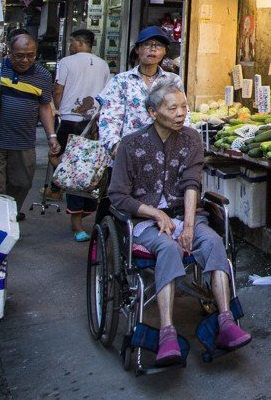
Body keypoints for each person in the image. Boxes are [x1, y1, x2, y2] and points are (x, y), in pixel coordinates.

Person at [107, 82, 252, 367]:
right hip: (145, 220)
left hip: (183, 212)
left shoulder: (191, 139)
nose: (180, 113)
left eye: (183, 107)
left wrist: (187, 226)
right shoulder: (131, 145)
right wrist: (155, 214)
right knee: (167, 247)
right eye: (172, 108)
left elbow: (191, 183)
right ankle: (167, 333)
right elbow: (118, 196)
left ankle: (225, 320)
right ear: (152, 112)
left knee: (211, 241)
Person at [54, 29, 111, 242]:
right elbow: (105, 97)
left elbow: (58, 90)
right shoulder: (103, 64)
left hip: (70, 121)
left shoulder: (66, 62)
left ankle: (75, 218)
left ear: (78, 42)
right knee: (90, 170)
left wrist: (58, 110)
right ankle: (78, 215)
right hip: (95, 123)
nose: (70, 45)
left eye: (71, 41)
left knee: (72, 169)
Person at [0, 32, 58, 217]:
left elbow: (45, 106)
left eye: (30, 55)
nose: (25, 60)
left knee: (22, 183)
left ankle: (9, 214)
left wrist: (52, 136)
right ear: (9, 52)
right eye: (19, 55)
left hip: (23, 140)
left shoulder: (43, 76)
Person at [98, 26, 183, 150]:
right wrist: (115, 146)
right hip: (129, 152)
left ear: (165, 51)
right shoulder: (121, 81)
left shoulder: (173, 80)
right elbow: (109, 119)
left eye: (158, 45)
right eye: (147, 44)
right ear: (137, 49)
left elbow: (182, 114)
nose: (153, 49)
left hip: (165, 152)